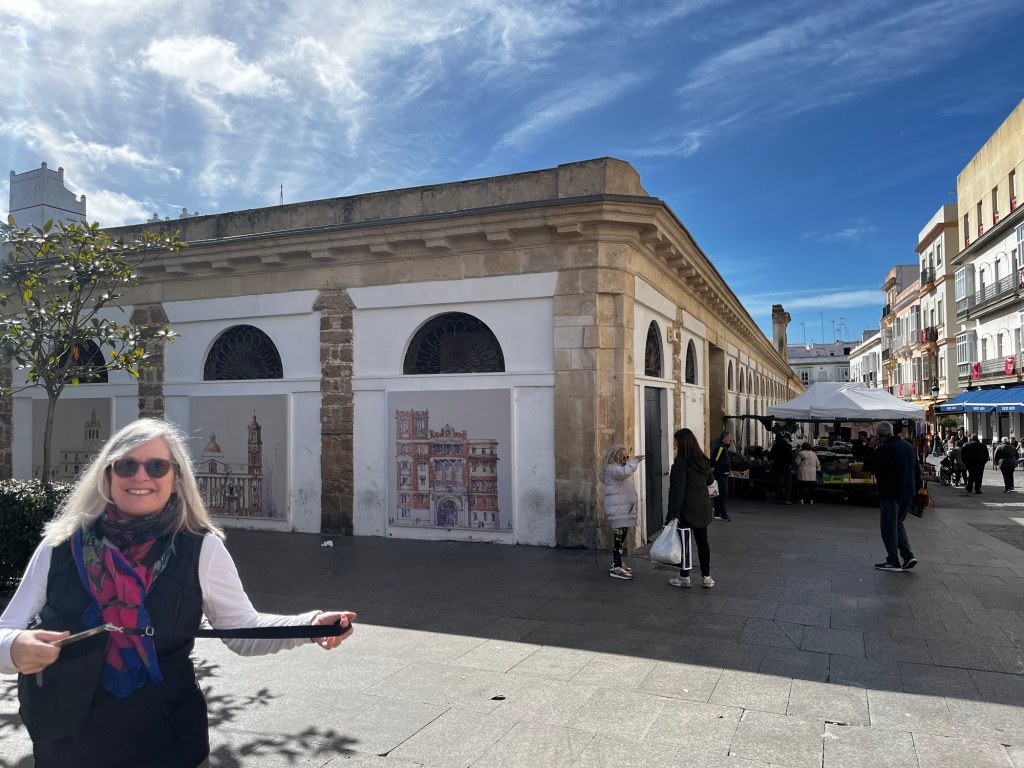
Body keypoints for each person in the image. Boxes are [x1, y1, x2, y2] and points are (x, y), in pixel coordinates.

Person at [0, 418, 355, 767]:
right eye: (126, 465)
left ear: (176, 479)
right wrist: (15, 647)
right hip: (67, 742)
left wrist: (309, 626)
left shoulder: (201, 548)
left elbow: (242, 630)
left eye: (157, 466)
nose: (141, 476)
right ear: (107, 475)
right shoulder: (61, 545)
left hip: (167, 741)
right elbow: (6, 630)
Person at [863, 421, 917, 572]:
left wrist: (870, 448)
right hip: (908, 492)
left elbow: (868, 466)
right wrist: (916, 490)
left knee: (888, 526)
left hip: (890, 492)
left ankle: (893, 560)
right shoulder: (908, 446)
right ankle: (908, 556)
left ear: (879, 435)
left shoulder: (885, 449)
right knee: (898, 523)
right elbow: (916, 470)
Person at [665, 428, 714, 589]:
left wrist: (673, 514)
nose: (675, 444)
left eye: (676, 442)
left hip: (686, 509)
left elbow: (677, 491)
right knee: (702, 542)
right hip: (702, 506)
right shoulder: (703, 460)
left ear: (681, 443)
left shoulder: (680, 464)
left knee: (684, 543)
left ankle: (684, 577)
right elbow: (709, 480)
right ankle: (706, 577)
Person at [600, 444, 645, 580]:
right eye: (623, 457)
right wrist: (634, 461)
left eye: (627, 457)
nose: (626, 460)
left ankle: (617, 563)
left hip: (623, 510)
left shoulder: (618, 469)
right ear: (615, 457)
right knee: (618, 539)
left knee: (622, 537)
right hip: (617, 510)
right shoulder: (612, 469)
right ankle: (617, 567)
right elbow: (624, 472)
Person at [709, 431, 732, 522]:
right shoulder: (720, 447)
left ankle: (717, 513)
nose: (730, 439)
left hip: (722, 473)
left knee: (719, 493)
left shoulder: (722, 446)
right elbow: (715, 459)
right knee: (723, 493)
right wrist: (715, 468)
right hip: (720, 474)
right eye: (729, 437)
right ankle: (723, 513)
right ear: (724, 437)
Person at [768, 433, 794, 504]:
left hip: (776, 466)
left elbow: (770, 455)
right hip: (786, 466)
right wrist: (791, 464)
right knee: (787, 483)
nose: (789, 441)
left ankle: (778, 499)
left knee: (777, 482)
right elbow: (790, 456)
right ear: (787, 438)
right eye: (789, 440)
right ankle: (787, 499)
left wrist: (771, 461)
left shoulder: (775, 445)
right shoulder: (788, 446)